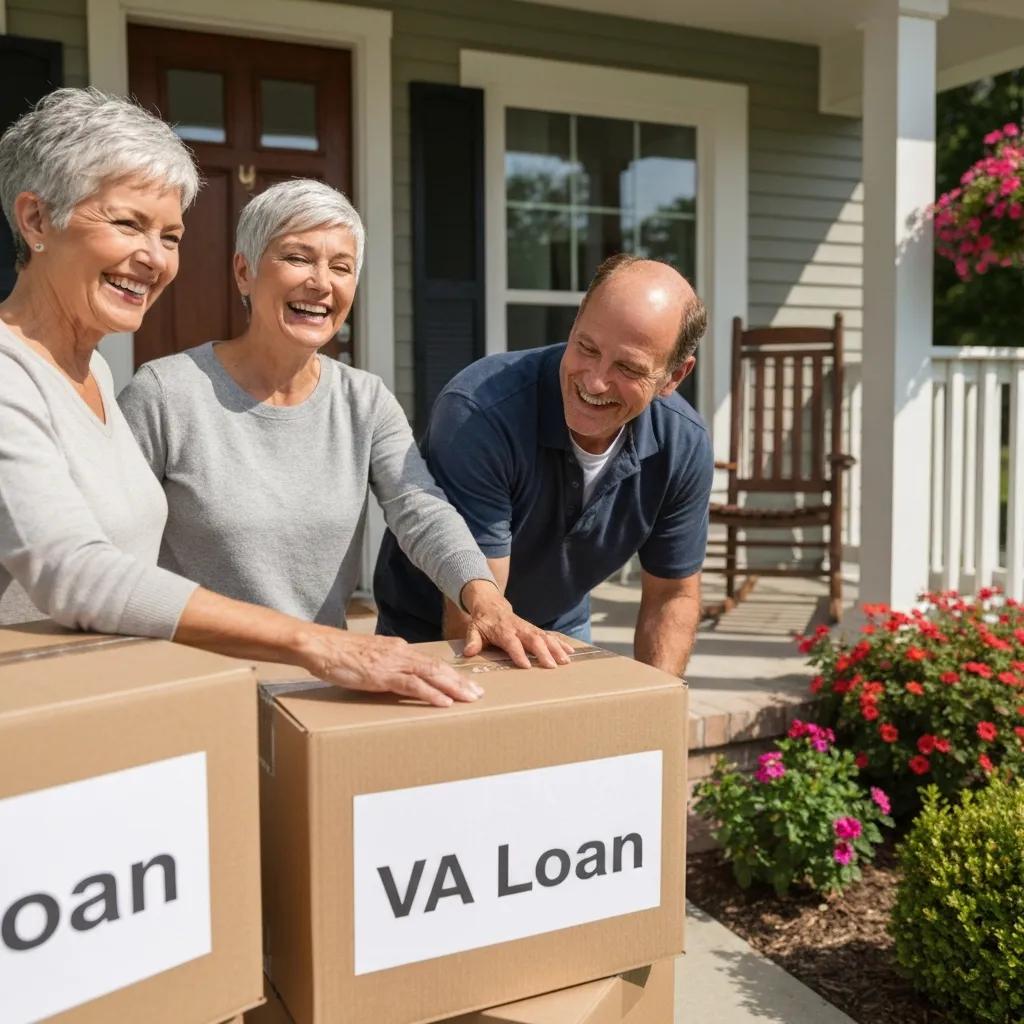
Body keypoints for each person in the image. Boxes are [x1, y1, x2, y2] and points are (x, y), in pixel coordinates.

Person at [0, 89, 557, 710]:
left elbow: (418, 507)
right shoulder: (128, 388)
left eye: (171, 234)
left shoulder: (92, 372)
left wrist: (482, 594)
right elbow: (76, 571)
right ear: (36, 220)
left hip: (132, 704)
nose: (153, 257)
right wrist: (319, 643)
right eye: (128, 224)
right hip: (67, 711)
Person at [119, 178, 571, 677]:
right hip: (193, 685)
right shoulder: (165, 393)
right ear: (244, 272)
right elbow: (112, 560)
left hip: (317, 680)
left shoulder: (365, 400)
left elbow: (419, 507)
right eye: (297, 257)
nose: (321, 283)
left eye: (341, 267)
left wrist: (483, 595)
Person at [374, 254, 714, 676]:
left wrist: (658, 707)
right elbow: (475, 614)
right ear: (573, 325)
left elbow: (672, 596)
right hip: (432, 633)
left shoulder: (683, 444)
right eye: (586, 348)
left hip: (561, 631)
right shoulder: (480, 412)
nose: (594, 381)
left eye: (628, 367)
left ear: (674, 376)